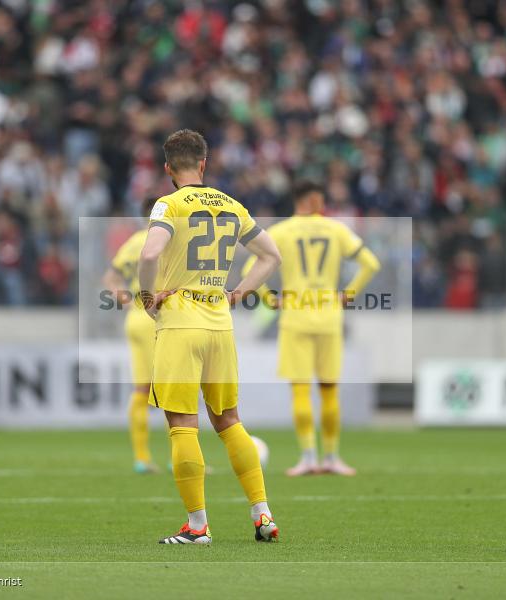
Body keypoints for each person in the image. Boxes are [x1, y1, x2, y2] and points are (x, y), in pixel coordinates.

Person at [138, 129, 282, 545]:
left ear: (168, 169)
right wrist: (240, 291)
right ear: (204, 163)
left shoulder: (169, 204)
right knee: (229, 421)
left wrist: (148, 297)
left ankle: (197, 526)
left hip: (181, 322)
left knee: (182, 424)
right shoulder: (233, 206)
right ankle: (263, 514)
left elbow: (149, 254)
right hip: (220, 322)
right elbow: (271, 256)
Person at [244, 181, 380, 476]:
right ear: (314, 199)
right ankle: (331, 457)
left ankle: (307, 458)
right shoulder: (336, 229)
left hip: (295, 315)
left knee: (301, 391)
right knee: (329, 390)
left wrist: (270, 300)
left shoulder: (281, 231)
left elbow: (248, 270)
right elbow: (370, 264)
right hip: (329, 315)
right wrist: (348, 295)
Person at [102, 198, 160, 474]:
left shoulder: (136, 240)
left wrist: (129, 303)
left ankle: (141, 458)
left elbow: (110, 278)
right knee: (176, 387)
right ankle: (182, 459)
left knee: (142, 389)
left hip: (136, 317)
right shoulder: (166, 239)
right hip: (156, 318)